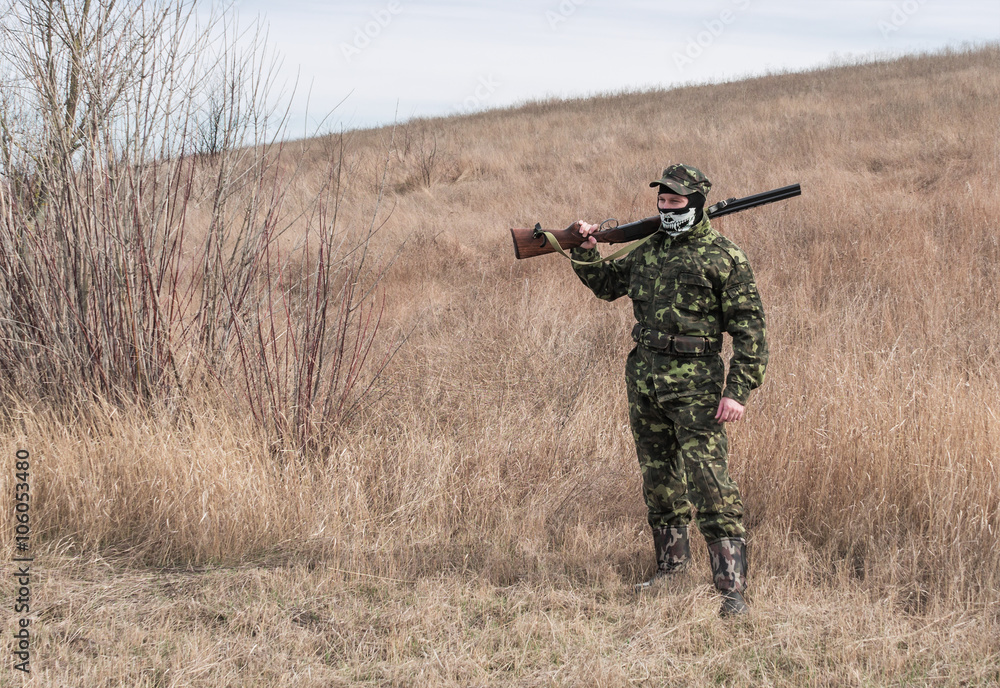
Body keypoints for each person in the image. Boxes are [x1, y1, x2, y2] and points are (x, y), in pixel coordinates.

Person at [569, 164, 767, 616]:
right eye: (662, 200)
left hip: (698, 388)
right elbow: (607, 286)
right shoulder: (649, 249)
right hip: (645, 381)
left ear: (696, 204)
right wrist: (584, 250)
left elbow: (751, 332)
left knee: (709, 481)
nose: (667, 207)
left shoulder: (724, 258)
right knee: (659, 480)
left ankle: (731, 590)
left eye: (676, 202)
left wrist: (737, 391)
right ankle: (670, 570)